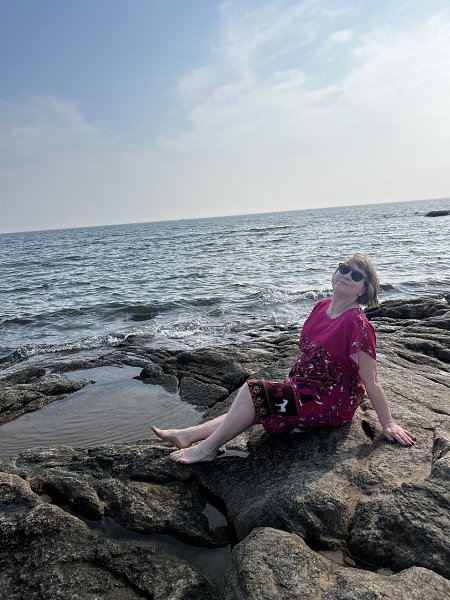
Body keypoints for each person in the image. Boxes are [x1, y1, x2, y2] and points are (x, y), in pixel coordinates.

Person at [152, 254, 415, 464]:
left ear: (364, 289)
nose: (347, 275)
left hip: (329, 400)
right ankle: (189, 435)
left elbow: (371, 380)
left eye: (356, 275)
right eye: (344, 268)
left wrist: (388, 423)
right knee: (255, 405)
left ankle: (206, 450)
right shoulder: (321, 306)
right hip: (303, 388)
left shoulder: (357, 324)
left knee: (253, 391)